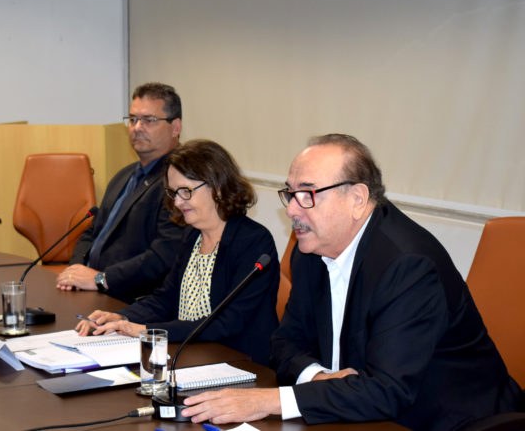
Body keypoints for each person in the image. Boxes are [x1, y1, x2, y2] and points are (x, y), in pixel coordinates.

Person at [181, 134, 522, 429]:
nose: (292, 210)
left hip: (444, 421)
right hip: (355, 412)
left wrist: (272, 401)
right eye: (291, 193)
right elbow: (284, 342)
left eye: (308, 194)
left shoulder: (408, 266)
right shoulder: (312, 249)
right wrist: (317, 378)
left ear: (357, 199)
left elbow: (388, 390)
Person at [76, 139, 280, 365]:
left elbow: (226, 323)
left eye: (186, 191)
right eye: (174, 193)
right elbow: (166, 299)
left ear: (218, 187)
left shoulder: (253, 242)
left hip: (240, 363)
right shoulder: (192, 235)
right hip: (190, 355)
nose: (178, 202)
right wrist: (123, 317)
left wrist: (145, 330)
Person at [56, 82, 185, 303]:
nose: (137, 127)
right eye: (133, 119)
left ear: (175, 127)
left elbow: (164, 255)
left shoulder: (179, 181)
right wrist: (75, 271)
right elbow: (92, 232)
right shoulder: (124, 176)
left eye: (149, 120)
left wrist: (100, 279)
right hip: (93, 290)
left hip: (133, 299)